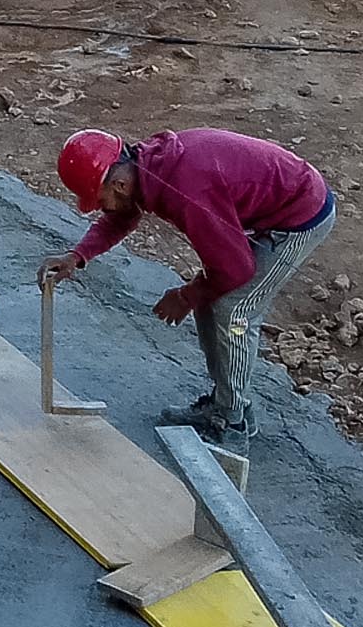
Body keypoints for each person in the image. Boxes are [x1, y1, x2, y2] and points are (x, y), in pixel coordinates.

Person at [37, 127, 339, 449]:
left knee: (232, 309)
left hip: (300, 216)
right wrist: (78, 256)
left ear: (120, 184)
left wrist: (185, 295)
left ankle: (233, 421)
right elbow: (122, 216)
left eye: (100, 201)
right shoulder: (148, 165)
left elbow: (236, 270)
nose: (101, 208)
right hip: (275, 205)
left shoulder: (187, 191)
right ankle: (225, 401)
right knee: (213, 298)